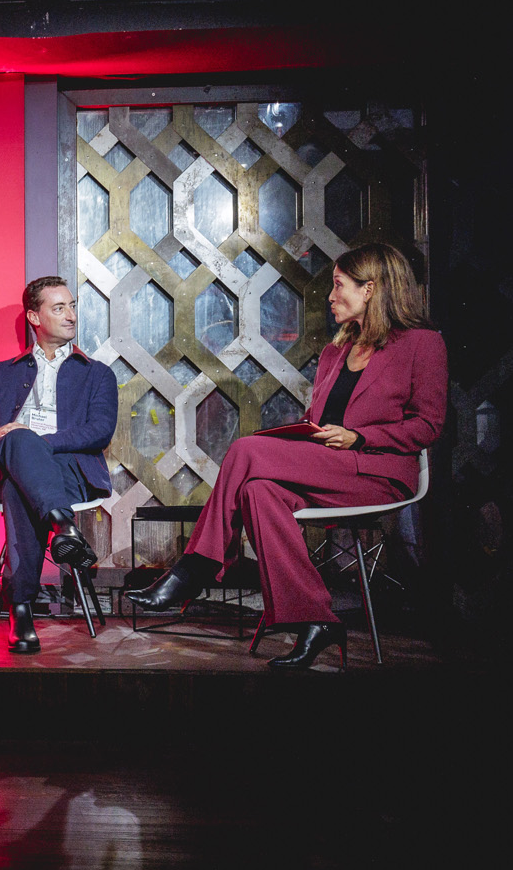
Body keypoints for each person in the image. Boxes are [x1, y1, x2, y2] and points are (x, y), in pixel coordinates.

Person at [125, 243, 446, 668]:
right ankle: (315, 619)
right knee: (258, 491)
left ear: (370, 290)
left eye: (338, 286)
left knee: (244, 449)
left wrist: (359, 438)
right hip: (329, 467)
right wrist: (307, 431)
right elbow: (319, 418)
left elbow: (428, 426)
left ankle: (196, 569)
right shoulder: (336, 352)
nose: (330, 297)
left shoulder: (422, 344)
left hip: (376, 472)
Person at [0, 276, 117, 654]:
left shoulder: (96, 373)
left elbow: (99, 432)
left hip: (67, 472)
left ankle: (21, 608)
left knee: (20, 483)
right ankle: (64, 527)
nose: (71, 315)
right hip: (7, 462)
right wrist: (3, 435)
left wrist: (34, 443)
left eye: (72, 306)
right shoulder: (3, 373)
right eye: (59, 308)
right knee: (17, 447)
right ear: (34, 316)